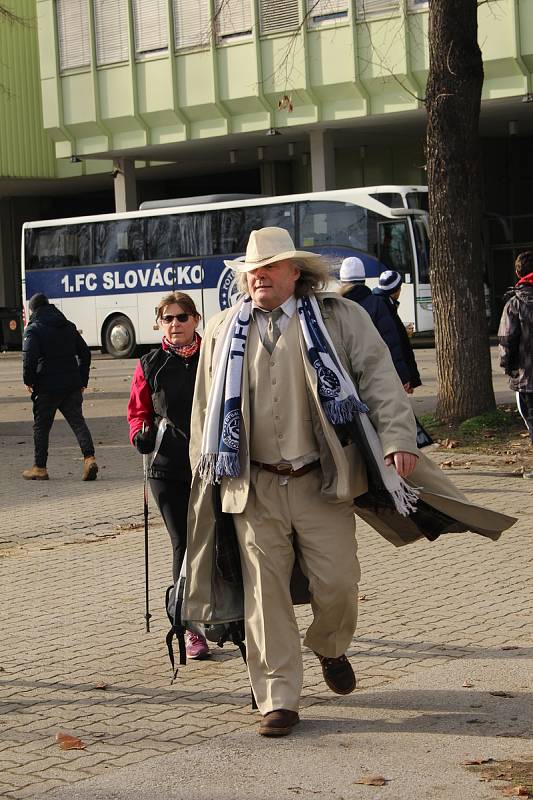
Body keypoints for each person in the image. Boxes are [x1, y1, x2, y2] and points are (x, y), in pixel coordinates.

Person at [183, 227, 514, 738]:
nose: (259, 277)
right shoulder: (225, 328)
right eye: (252, 270)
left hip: (322, 480)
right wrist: (203, 475)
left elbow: (380, 378)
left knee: (338, 584)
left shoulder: (340, 318)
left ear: (297, 271)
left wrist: (398, 438)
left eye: (270, 267)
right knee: (264, 598)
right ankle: (279, 698)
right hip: (253, 486)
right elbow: (206, 407)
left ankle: (331, 647)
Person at [127, 291, 209, 660]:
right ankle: (187, 626)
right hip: (168, 467)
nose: (174, 325)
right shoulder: (150, 363)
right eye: (167, 318)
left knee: (223, 540)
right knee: (185, 543)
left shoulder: (217, 356)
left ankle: (231, 617)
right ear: (159, 323)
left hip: (213, 464)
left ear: (196, 319)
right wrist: (140, 434)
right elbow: (137, 412)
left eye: (182, 317)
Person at [22, 293, 98, 482]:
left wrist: (29, 380)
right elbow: (85, 354)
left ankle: (40, 468)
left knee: (41, 427)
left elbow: (29, 359)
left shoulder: (33, 329)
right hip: (71, 386)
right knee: (78, 422)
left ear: (32, 310)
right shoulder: (68, 326)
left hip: (46, 388)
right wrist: (82, 380)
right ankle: (89, 458)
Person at [338, 257, 413, 390]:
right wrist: (402, 375)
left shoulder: (333, 305)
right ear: (364, 279)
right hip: (373, 375)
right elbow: (391, 342)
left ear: (342, 280)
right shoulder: (377, 304)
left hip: (343, 375)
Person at [498, 250, 533, 477]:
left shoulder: (515, 303)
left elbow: (507, 339)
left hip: (527, 377)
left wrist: (509, 368)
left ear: (517, 272)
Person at [372, 269, 421, 395]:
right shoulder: (385, 308)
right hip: (390, 375)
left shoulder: (378, 303)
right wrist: (405, 377)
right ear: (395, 292)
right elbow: (395, 346)